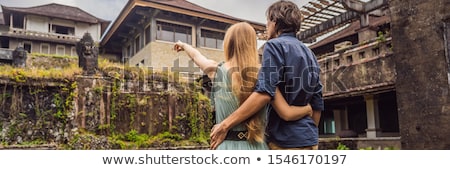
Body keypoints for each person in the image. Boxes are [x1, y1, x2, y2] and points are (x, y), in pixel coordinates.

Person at [174, 22, 313, 150]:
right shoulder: (264, 75)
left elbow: (197, 57)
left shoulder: (216, 70)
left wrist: (184, 46)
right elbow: (286, 113)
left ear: (229, 43)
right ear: (252, 44)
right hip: (258, 147)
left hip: (225, 147)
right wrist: (307, 109)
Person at [209, 0, 324, 150]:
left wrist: (225, 125)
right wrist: (306, 134)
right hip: (310, 141)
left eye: (267, 22)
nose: (266, 27)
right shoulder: (310, 53)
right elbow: (317, 102)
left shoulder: (274, 45)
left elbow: (264, 92)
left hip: (284, 141)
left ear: (275, 22)